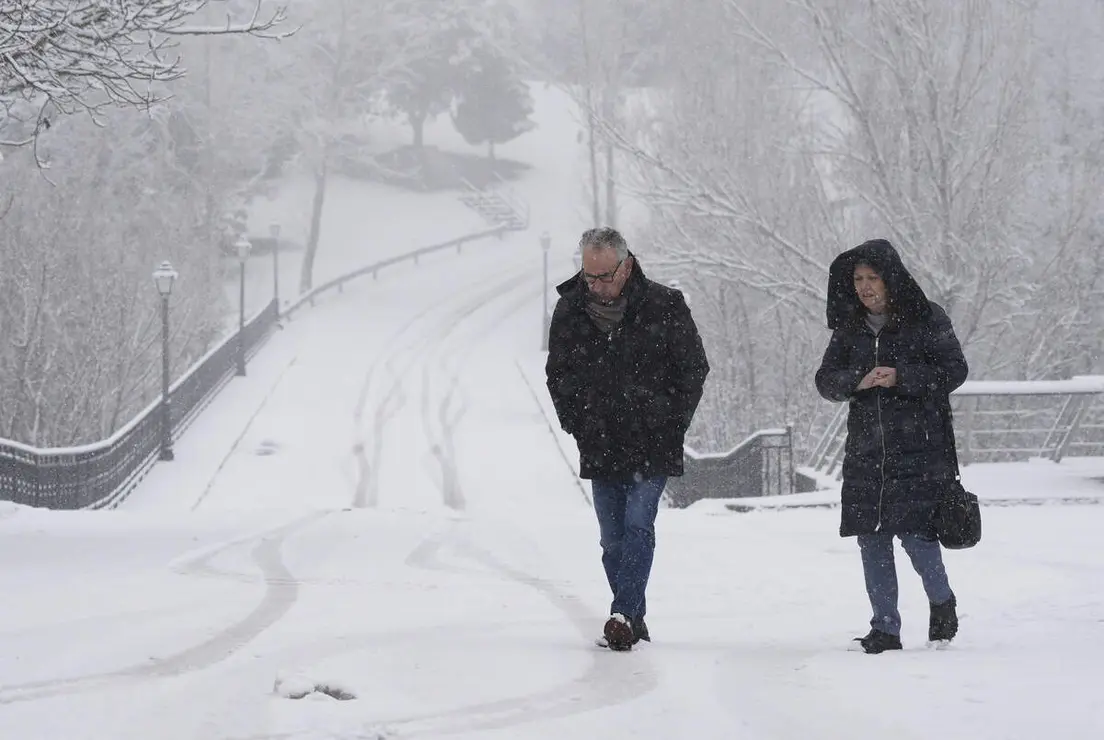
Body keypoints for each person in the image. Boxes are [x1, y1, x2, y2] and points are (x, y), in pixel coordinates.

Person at [545, 227, 709, 651]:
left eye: (604, 276)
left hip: (653, 440)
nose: (596, 286)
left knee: (639, 523)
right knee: (611, 537)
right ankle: (634, 614)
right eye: (589, 276)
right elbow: (558, 375)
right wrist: (576, 422)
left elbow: (693, 369)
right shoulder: (570, 310)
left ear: (627, 265)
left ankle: (621, 613)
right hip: (599, 440)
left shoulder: (665, 306)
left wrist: (672, 422)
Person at [815, 238, 968, 654]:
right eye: (858, 279)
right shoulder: (849, 328)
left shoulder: (926, 318)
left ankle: (942, 602)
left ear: (891, 279)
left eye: (872, 278)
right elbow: (825, 381)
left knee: (917, 537)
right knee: (872, 539)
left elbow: (954, 371)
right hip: (866, 453)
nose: (865, 287)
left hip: (919, 449)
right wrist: (857, 381)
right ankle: (885, 627)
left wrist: (902, 376)